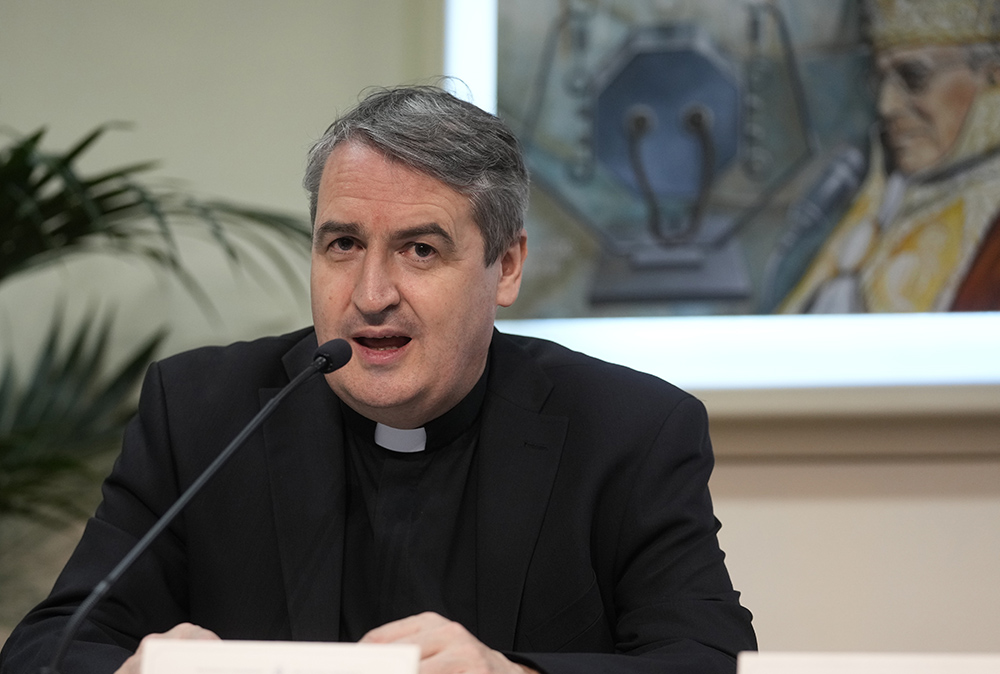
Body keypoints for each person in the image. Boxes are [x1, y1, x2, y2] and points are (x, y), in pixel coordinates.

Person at [0, 86, 756, 674]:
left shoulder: (628, 431)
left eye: (420, 250)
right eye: (342, 244)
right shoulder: (203, 414)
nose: (370, 294)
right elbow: (46, 648)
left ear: (508, 266)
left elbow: (708, 659)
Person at [773, 0, 1000, 313]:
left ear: (992, 77)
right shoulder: (877, 196)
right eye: (881, 80)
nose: (886, 105)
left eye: (913, 76)